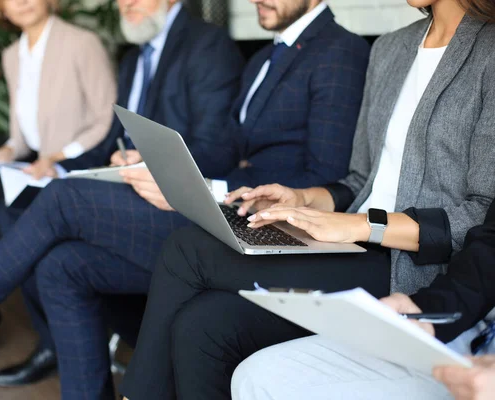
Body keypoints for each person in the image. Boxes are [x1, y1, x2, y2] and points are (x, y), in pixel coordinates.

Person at [0, 0, 372, 397]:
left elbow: (325, 179)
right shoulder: (267, 57)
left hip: (265, 227)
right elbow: (235, 154)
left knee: (63, 199)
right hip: (224, 205)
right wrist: (185, 180)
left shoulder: (340, 51)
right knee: (61, 264)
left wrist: (209, 188)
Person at [117, 0, 495, 399]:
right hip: (350, 242)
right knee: (202, 324)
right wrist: (303, 198)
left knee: (187, 249)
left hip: (410, 265)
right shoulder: (390, 48)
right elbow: (360, 179)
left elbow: (481, 213)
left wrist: (362, 225)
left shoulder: (488, 53)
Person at [0, 0, 116, 368]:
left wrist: (57, 157)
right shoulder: (12, 56)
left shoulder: (82, 43)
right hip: (35, 163)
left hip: (75, 164)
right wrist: (2, 151)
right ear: (0, 9)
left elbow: (106, 120)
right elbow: (21, 139)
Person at [231, 194, 495, 400]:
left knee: (212, 292)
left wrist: (365, 225)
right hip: (475, 323)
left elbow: (473, 213)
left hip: (403, 260)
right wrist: (431, 310)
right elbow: (490, 243)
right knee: (258, 377)